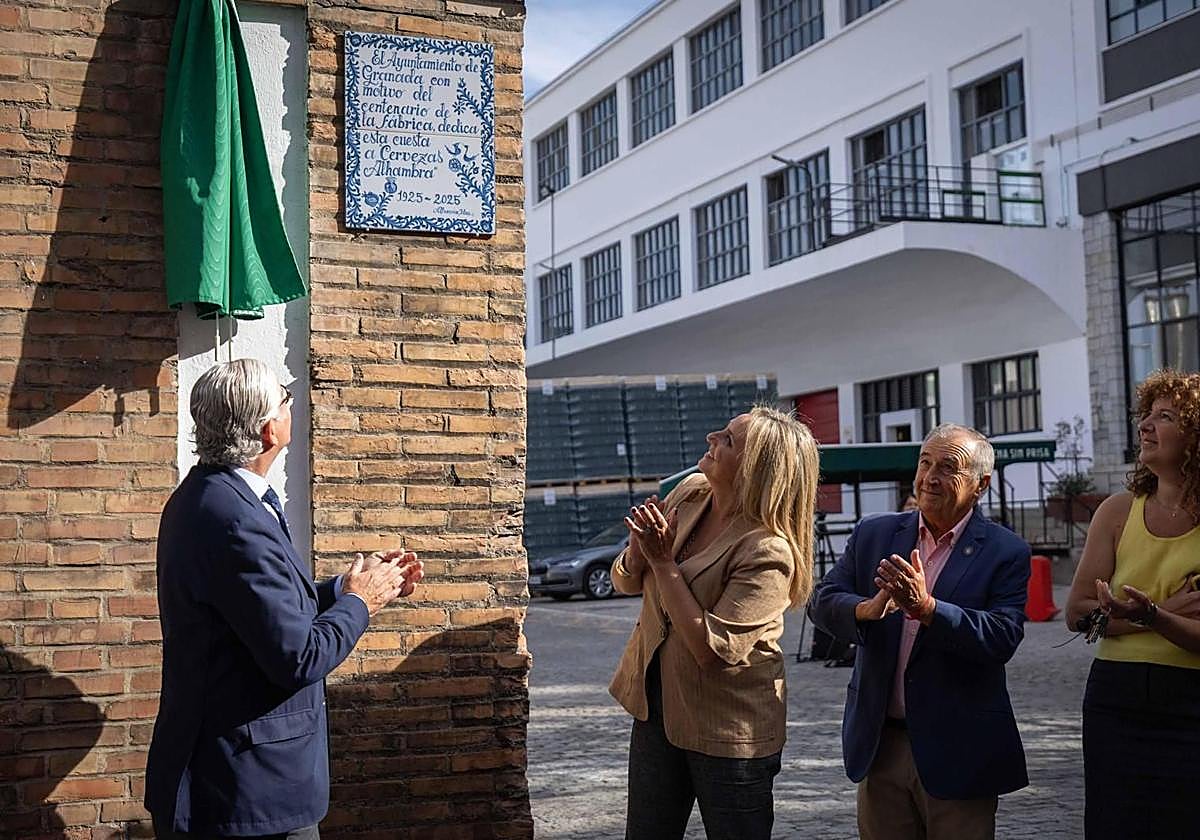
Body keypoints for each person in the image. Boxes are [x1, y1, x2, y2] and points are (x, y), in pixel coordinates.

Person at [146, 359, 424, 839]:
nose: (292, 405)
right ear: (268, 428)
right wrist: (360, 603)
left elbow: (257, 615)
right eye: (285, 398)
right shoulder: (235, 521)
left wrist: (341, 589)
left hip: (236, 781)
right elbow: (297, 656)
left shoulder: (212, 497)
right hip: (245, 792)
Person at [808, 423, 1029, 840]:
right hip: (881, 745)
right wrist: (866, 609)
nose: (929, 477)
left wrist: (927, 609)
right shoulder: (875, 533)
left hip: (959, 751)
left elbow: (1001, 637)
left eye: (948, 467)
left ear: (980, 485)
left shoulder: (1005, 551)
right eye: (925, 463)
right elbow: (822, 600)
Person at [608, 407, 819, 840]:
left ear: (756, 467)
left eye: (727, 438)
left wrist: (663, 561)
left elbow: (712, 650)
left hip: (729, 730)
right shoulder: (690, 494)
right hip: (658, 710)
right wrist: (637, 551)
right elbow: (627, 582)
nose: (712, 437)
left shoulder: (767, 550)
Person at [1065, 369, 1200, 839]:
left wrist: (1145, 614)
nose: (1145, 425)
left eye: (1164, 417)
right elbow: (1079, 615)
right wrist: (1164, 613)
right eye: (1145, 415)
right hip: (1115, 697)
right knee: (1113, 824)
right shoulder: (1117, 511)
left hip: (1191, 698)